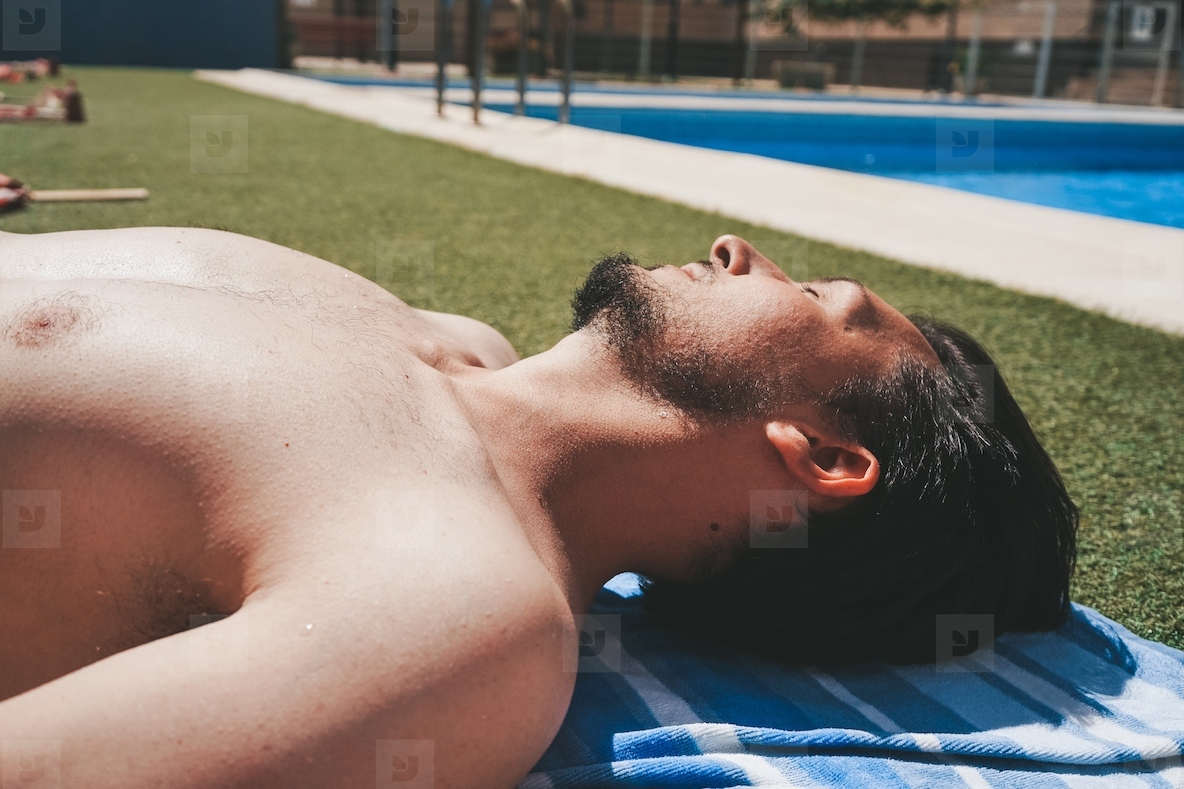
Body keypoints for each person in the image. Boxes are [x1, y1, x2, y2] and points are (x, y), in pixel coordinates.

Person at [0, 227, 1077, 788]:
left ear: (824, 459)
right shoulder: (452, 340)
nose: (735, 250)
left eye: (809, 299)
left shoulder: (459, 614)